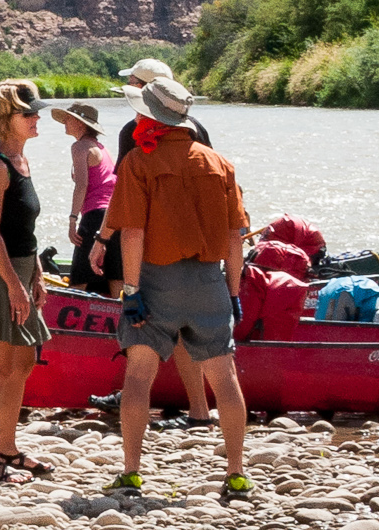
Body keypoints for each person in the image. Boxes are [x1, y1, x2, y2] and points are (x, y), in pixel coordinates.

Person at [105, 75, 253, 499]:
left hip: (154, 280)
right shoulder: (219, 163)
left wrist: (131, 291)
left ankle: (132, 471)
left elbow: (131, 233)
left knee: (139, 377)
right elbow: (234, 238)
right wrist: (234, 291)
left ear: (151, 117)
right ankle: (236, 472)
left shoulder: (138, 162)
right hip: (209, 281)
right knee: (224, 378)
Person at [113, 67, 216, 429]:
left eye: (134, 86)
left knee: (140, 339)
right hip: (201, 256)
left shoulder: (134, 136)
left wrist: (104, 241)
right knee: (198, 339)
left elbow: (126, 203)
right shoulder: (197, 129)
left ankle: (131, 453)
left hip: (152, 252)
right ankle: (202, 411)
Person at [0, 81, 53, 485]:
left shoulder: (22, 161)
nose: (37, 118)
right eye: (28, 114)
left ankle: (9, 446)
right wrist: (15, 286)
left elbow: (24, 230)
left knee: (24, 362)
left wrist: (35, 274)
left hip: (20, 272)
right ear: (7, 120)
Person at [58, 104, 118, 295]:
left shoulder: (79, 146)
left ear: (79, 123)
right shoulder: (101, 147)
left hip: (95, 215)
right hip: (114, 215)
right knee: (115, 276)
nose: (65, 123)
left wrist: (72, 219)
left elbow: (81, 185)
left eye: (68, 119)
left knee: (80, 277)